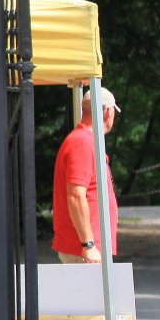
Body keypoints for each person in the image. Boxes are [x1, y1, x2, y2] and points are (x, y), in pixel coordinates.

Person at [51, 88, 121, 264]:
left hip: (87, 249)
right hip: (84, 251)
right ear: (108, 112)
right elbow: (75, 195)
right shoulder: (82, 143)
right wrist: (88, 244)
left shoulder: (85, 141)